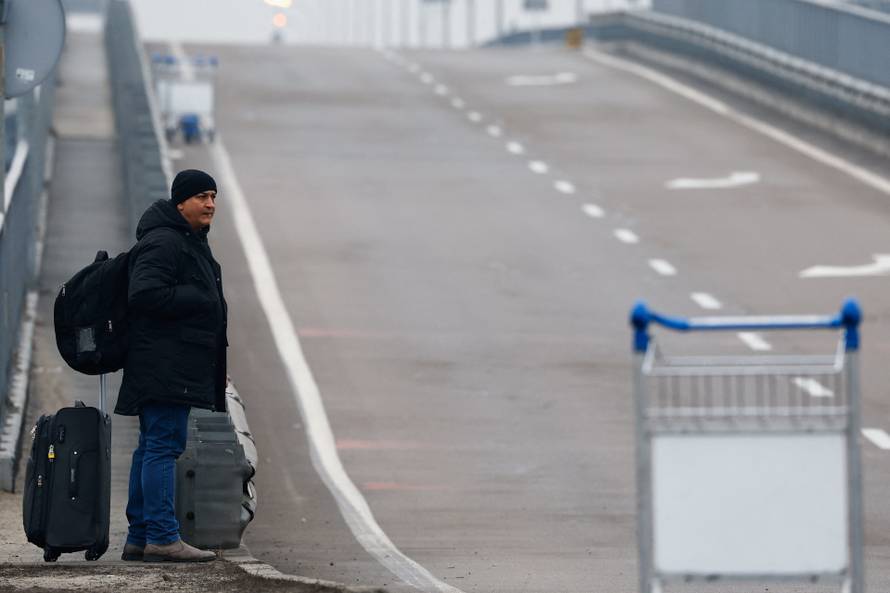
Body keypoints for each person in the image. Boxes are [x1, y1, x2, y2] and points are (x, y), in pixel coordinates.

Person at [115, 169, 228, 562]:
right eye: (202, 197)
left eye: (213, 196)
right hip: (164, 365)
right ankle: (163, 537)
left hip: (171, 363)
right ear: (180, 202)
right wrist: (197, 296)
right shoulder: (165, 242)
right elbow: (144, 294)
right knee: (163, 446)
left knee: (152, 447)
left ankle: (140, 535)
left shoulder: (185, 239)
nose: (210, 204)